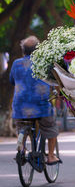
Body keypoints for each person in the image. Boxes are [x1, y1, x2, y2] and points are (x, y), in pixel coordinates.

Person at [9, 36, 60, 165]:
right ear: (38, 50)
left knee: (22, 126)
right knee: (50, 128)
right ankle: (51, 156)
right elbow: (54, 81)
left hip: (20, 106)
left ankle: (22, 147)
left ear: (23, 50)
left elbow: (11, 81)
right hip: (40, 106)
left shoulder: (16, 63)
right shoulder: (44, 63)